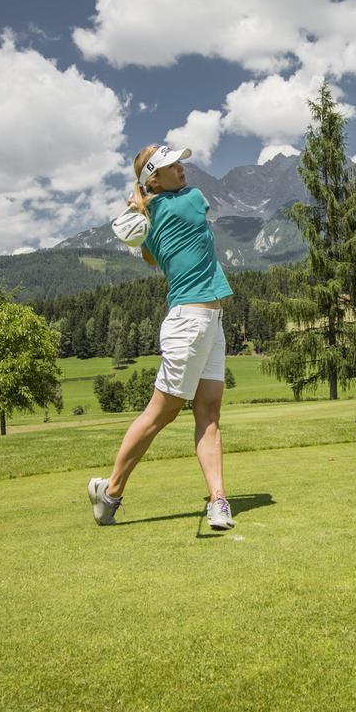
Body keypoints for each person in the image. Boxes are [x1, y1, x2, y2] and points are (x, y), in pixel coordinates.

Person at [87, 144, 235, 529]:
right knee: (161, 413)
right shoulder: (190, 199)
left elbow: (149, 253)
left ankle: (218, 501)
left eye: (179, 162)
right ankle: (112, 491)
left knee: (209, 414)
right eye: (171, 165)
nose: (182, 168)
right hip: (190, 321)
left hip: (209, 321)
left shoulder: (148, 218)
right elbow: (196, 208)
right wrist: (145, 202)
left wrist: (141, 204)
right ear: (154, 178)